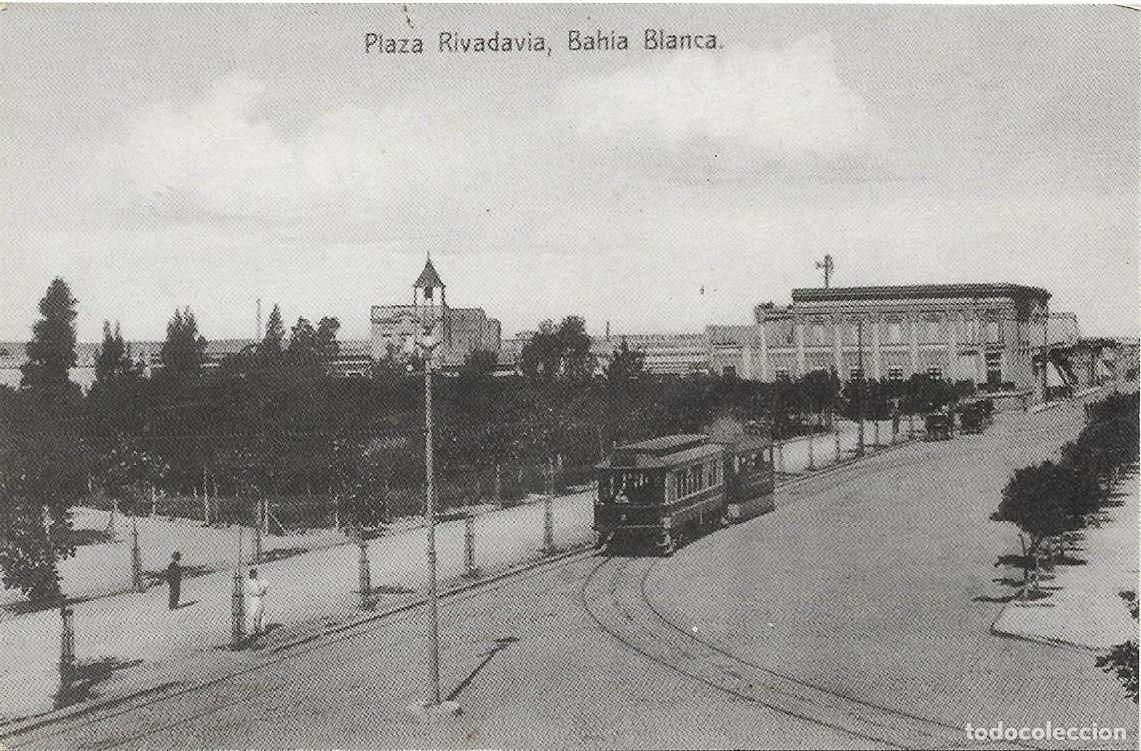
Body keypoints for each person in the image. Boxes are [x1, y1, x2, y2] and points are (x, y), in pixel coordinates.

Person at [244, 568, 269, 637]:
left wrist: (263, 590)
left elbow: (263, 589)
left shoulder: (257, 581)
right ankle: (251, 631)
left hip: (260, 599)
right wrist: (262, 590)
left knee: (262, 614)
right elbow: (255, 592)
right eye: (255, 573)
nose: (256, 574)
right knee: (253, 614)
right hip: (254, 600)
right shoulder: (249, 582)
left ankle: (262, 629)